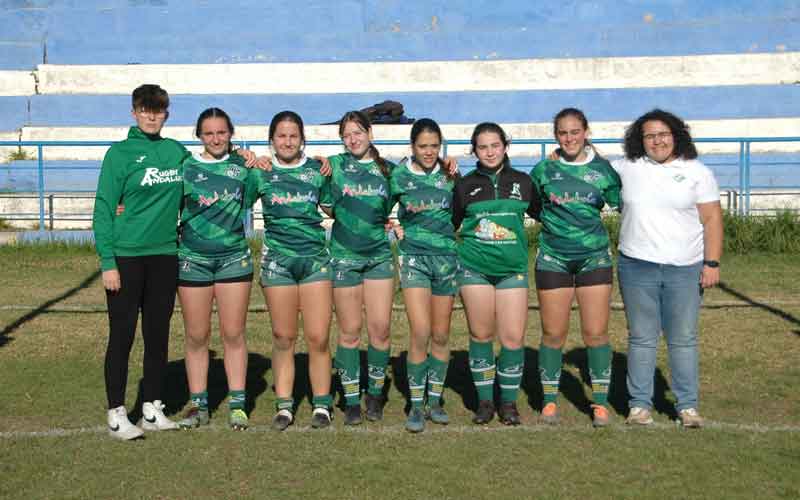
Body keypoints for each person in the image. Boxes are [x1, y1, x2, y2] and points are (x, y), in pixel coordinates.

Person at [93, 85, 258, 440]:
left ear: (166, 114)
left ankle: (152, 408)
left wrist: (243, 155)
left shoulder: (177, 154)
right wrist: (108, 261)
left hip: (167, 256)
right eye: (145, 110)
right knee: (122, 336)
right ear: (134, 112)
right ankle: (117, 413)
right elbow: (104, 210)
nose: (152, 116)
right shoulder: (119, 155)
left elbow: (210, 167)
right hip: (126, 257)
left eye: (158, 111)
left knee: (157, 336)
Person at [614, 109, 722, 428]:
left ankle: (687, 405)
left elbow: (712, 219)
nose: (657, 141)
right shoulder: (627, 168)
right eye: (649, 135)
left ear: (676, 135)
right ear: (640, 140)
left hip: (684, 269)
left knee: (683, 339)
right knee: (642, 338)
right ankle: (639, 406)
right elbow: (586, 169)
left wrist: (711, 262)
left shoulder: (697, 172)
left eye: (663, 134)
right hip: (636, 267)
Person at [530, 108, 621, 427]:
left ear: (586, 132)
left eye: (574, 132)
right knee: (553, 333)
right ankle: (550, 401)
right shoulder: (543, 170)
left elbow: (624, 205)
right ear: (556, 136)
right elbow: (532, 206)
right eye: (562, 133)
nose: (569, 138)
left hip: (594, 258)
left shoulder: (604, 170)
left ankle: (598, 404)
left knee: (595, 333)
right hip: (553, 259)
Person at [452, 122, 541, 425]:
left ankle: (509, 403)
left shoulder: (524, 182)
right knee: (481, 334)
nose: (489, 152)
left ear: (505, 146)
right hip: (474, 269)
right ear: (474, 150)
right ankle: (485, 402)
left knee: (513, 338)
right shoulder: (464, 186)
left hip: (512, 270)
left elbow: (549, 215)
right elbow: (449, 225)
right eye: (482, 147)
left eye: (495, 145)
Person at [175, 108, 255, 431]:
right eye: (208, 133)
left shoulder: (244, 167)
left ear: (231, 133)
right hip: (192, 260)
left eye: (221, 132)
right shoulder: (186, 168)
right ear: (199, 136)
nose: (216, 138)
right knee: (197, 335)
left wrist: (250, 156)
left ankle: (238, 404)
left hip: (234, 259)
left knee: (233, 333)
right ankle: (198, 404)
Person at [253, 111, 334, 430]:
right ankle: (284, 406)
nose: (287, 141)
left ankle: (322, 405)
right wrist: (245, 156)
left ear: (303, 139)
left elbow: (331, 206)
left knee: (318, 337)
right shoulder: (262, 172)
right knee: (283, 336)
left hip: (314, 262)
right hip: (278, 264)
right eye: (281, 136)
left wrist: (333, 166)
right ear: (272, 140)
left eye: (293, 136)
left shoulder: (317, 170)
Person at [320, 110, 398, 425]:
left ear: (370, 134)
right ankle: (351, 400)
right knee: (350, 332)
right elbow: (326, 205)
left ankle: (375, 394)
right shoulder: (333, 166)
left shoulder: (389, 171)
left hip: (378, 258)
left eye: (358, 132)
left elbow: (415, 188)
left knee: (380, 329)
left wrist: (450, 168)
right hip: (343, 259)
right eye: (346, 135)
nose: (353, 139)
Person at [389, 118, 458, 433]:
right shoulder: (399, 176)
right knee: (420, 331)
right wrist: (391, 226)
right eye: (422, 146)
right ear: (412, 147)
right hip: (414, 259)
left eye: (434, 146)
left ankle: (435, 400)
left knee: (441, 334)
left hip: (445, 261)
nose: (429, 152)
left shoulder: (450, 174)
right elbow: (376, 208)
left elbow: (466, 209)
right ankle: (415, 405)